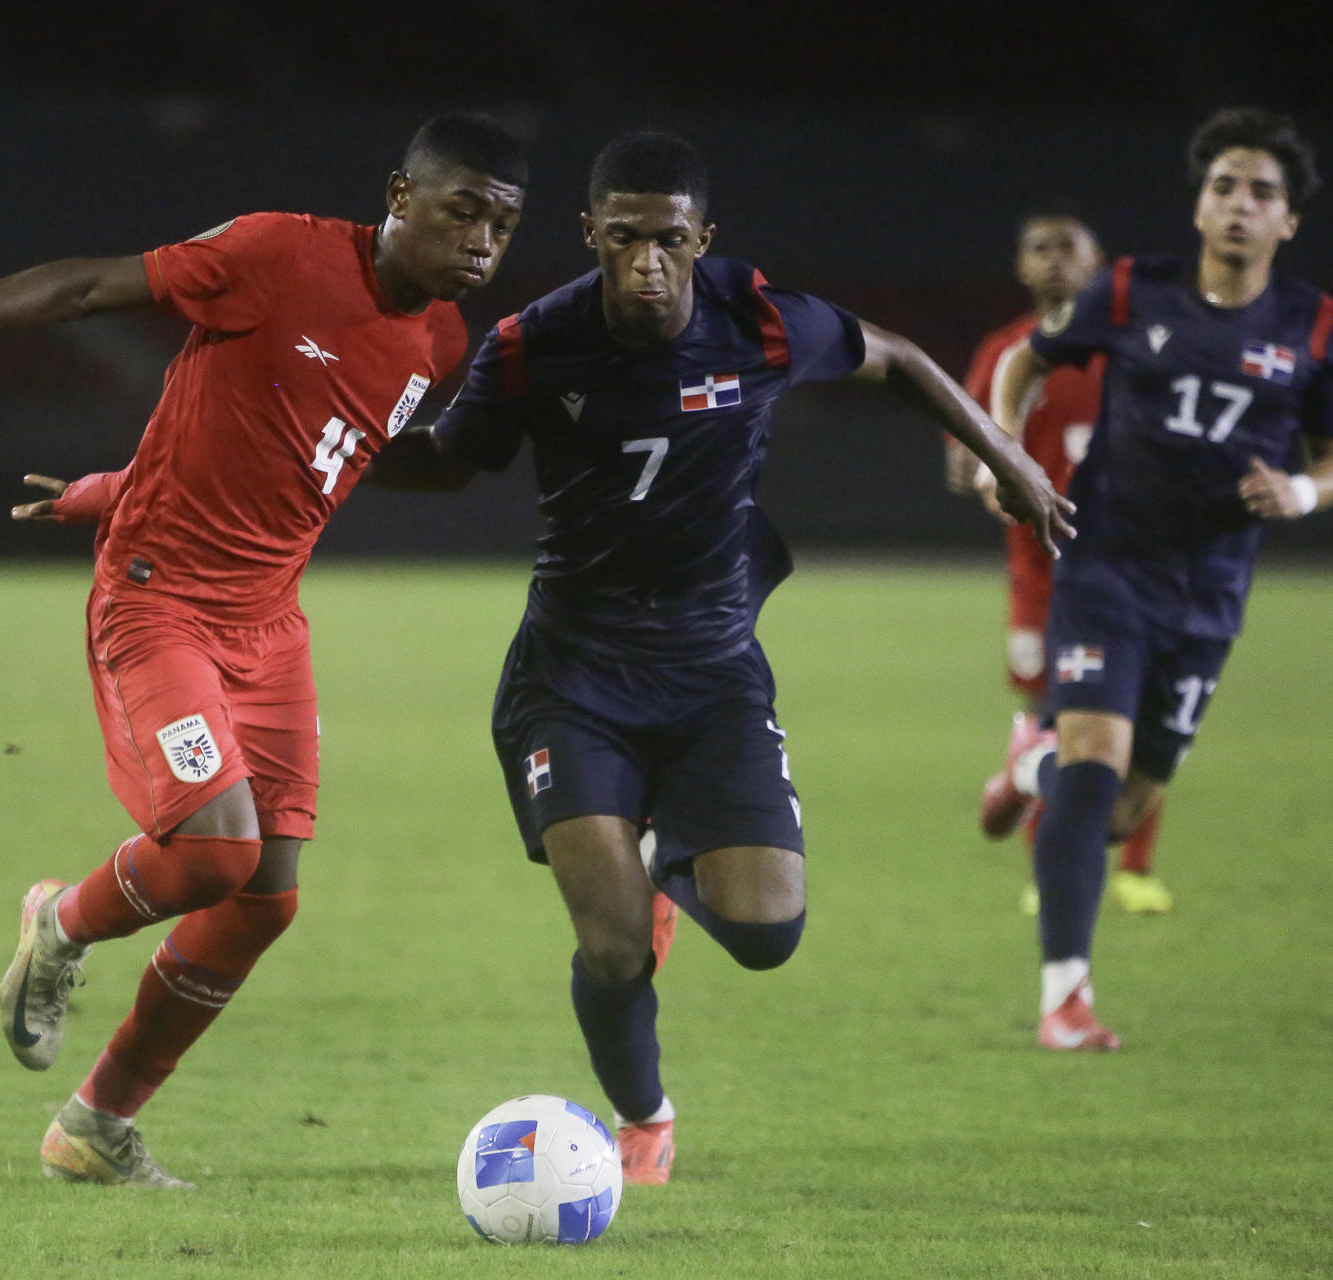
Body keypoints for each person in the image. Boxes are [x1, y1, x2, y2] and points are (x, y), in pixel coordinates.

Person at [0, 114, 529, 1185]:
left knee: (266, 896)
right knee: (213, 849)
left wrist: (112, 484)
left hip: (269, 623)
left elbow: (301, 456)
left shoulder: (435, 343)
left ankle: (95, 1126)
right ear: (399, 193)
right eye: (461, 209)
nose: (481, 240)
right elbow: (87, 288)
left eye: (503, 225)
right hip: (157, 599)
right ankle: (59, 922)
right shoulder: (276, 252)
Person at [369, 132, 1071, 1183]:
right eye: (622, 240)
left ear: (703, 238)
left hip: (713, 673)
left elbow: (903, 361)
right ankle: (643, 1119)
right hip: (573, 676)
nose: (646, 263)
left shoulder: (763, 319)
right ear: (589, 235)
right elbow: (451, 462)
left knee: (766, 933)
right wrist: (311, 438)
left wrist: (1008, 456)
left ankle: (667, 866)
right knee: (611, 946)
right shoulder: (533, 342)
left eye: (667, 241)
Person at [983, 108, 1333, 1051]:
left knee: (1118, 807)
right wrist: (1005, 456)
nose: (1240, 205)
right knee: (1096, 758)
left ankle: (1029, 767)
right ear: (1199, 207)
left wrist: (1304, 493)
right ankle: (1063, 1001)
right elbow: (1028, 357)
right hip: (1107, 565)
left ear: (1289, 221)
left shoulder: (1313, 324)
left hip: (1211, 593)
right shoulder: (1129, 291)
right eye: (1224, 187)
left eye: (1261, 193)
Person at [958, 216, 1176, 916]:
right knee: (1050, 717)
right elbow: (964, 456)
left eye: (1068, 249)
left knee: (1140, 719)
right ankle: (1046, 869)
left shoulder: (1129, 347)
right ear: (1021, 267)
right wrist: (991, 479)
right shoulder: (1004, 352)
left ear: (1099, 264)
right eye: (1039, 250)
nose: (1054, 261)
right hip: (1041, 573)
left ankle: (1136, 870)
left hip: (1128, 565)